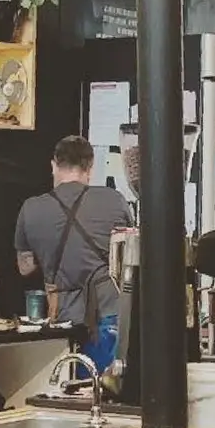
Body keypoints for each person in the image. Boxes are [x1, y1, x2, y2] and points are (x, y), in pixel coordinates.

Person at [15, 135, 132, 329]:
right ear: (90, 168)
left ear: (53, 165)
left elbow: (25, 268)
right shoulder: (114, 200)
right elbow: (128, 254)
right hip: (111, 315)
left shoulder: (31, 208)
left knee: (70, 360)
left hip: (64, 319)